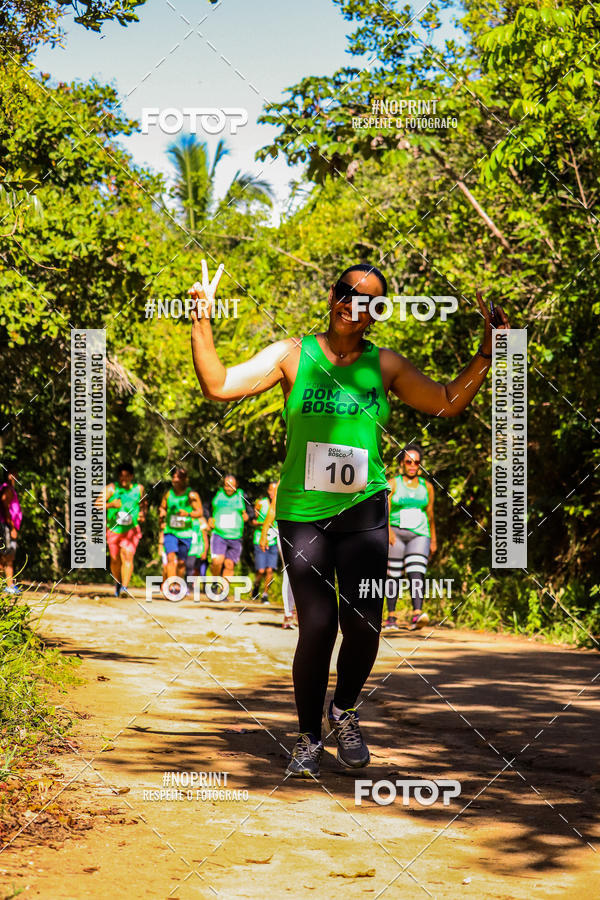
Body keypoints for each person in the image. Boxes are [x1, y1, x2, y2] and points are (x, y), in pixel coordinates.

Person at [189, 259, 508, 778]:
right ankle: (309, 737)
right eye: (345, 291)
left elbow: (447, 402)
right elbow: (219, 385)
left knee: (363, 626)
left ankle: (343, 710)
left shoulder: (386, 365)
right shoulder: (293, 355)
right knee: (316, 627)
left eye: (366, 300)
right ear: (332, 296)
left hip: (364, 510)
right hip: (303, 514)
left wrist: (486, 354)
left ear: (376, 312)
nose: (351, 304)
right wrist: (201, 318)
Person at [384, 444, 436, 631]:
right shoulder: (393, 483)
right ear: (402, 463)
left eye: (417, 462)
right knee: (393, 574)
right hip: (396, 532)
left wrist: (434, 539)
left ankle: (417, 614)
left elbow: (430, 513)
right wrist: (388, 532)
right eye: (409, 462)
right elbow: (385, 510)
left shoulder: (427, 486)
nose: (413, 465)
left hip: (420, 534)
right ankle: (391, 616)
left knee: (417, 571)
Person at [99, 463, 147, 597]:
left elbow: (144, 503)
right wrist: (110, 504)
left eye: (126, 476)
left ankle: (124, 588)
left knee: (127, 555)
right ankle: (118, 582)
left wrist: (143, 513)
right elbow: (96, 504)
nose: (123, 479)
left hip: (131, 529)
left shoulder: (139, 489)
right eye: (121, 476)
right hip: (114, 529)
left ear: (131, 476)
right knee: (115, 559)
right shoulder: (111, 489)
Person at [159, 467, 203, 598]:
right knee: (171, 557)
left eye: (179, 478)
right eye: (174, 477)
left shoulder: (192, 495)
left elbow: (199, 512)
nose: (176, 480)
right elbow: (162, 507)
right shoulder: (168, 494)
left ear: (185, 480)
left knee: (181, 563)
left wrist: (187, 514)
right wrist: (162, 514)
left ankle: (178, 584)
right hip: (170, 531)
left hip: (186, 533)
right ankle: (171, 587)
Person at [260, 482, 297, 628]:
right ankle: (289, 613)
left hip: (312, 529)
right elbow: (273, 508)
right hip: (287, 531)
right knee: (290, 570)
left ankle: (304, 612)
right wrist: (264, 532)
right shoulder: (286, 478)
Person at [208, 474, 248, 599]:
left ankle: (223, 592)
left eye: (231, 486)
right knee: (217, 561)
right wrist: (209, 518)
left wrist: (248, 515)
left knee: (230, 565)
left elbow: (250, 511)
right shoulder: (217, 494)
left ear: (236, 486)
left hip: (236, 535)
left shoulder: (242, 495)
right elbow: (207, 508)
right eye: (226, 485)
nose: (229, 488)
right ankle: (215, 581)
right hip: (219, 534)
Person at [253, 481, 279, 604]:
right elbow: (253, 520)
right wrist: (264, 524)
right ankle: (256, 586)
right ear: (268, 491)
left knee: (270, 570)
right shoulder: (261, 503)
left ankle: (265, 594)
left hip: (274, 540)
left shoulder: (281, 503)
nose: (273, 493)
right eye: (271, 490)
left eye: (275, 490)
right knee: (261, 570)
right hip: (260, 538)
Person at [0, 464, 22, 594]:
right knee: (8, 556)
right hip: (6, 526)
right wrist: (11, 527)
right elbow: (4, 504)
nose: (16, 476)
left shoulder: (8, 488)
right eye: (13, 473)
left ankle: (7, 585)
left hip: (5, 525)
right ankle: (9, 585)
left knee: (4, 555)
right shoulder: (7, 489)